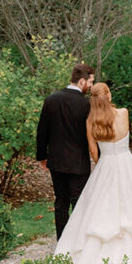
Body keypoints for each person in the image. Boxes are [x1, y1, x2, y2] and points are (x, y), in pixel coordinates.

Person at [54, 81, 132, 264]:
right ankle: (131, 251)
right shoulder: (124, 113)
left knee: (102, 207)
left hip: (106, 164)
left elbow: (94, 151)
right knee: (128, 204)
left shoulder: (91, 121)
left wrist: (102, 165)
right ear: (108, 95)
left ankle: (94, 254)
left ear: (93, 100)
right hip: (126, 163)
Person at [36, 62, 96, 239]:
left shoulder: (51, 99)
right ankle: (78, 241)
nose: (91, 86)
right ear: (82, 81)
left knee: (61, 202)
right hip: (78, 162)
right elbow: (91, 135)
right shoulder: (85, 104)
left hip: (56, 161)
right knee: (79, 203)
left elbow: (42, 131)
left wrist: (42, 156)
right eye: (90, 82)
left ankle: (62, 242)